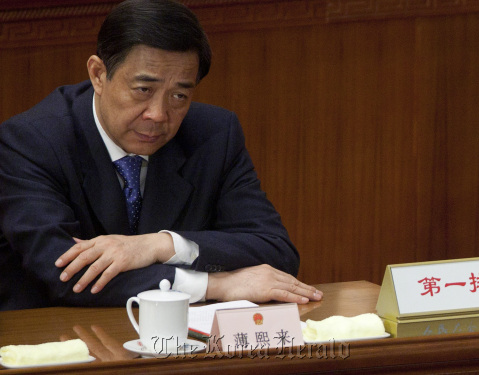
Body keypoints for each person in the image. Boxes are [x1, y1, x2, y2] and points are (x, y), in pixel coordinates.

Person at [0, 0, 322, 311]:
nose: (158, 114)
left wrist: (161, 246)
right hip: (58, 346)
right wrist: (214, 285)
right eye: (143, 90)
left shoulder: (214, 135)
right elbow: (68, 274)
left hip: (178, 348)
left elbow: (277, 252)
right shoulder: (31, 142)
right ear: (98, 74)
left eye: (179, 95)